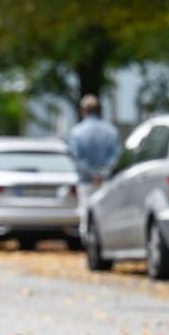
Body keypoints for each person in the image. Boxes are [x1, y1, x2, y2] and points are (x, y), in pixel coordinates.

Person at [68, 94, 119, 238]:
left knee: (85, 216)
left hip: (86, 182)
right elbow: (114, 156)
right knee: (106, 215)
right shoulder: (111, 131)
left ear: (83, 110)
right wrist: (102, 173)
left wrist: (91, 174)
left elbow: (77, 159)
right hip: (106, 182)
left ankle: (89, 248)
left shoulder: (76, 132)